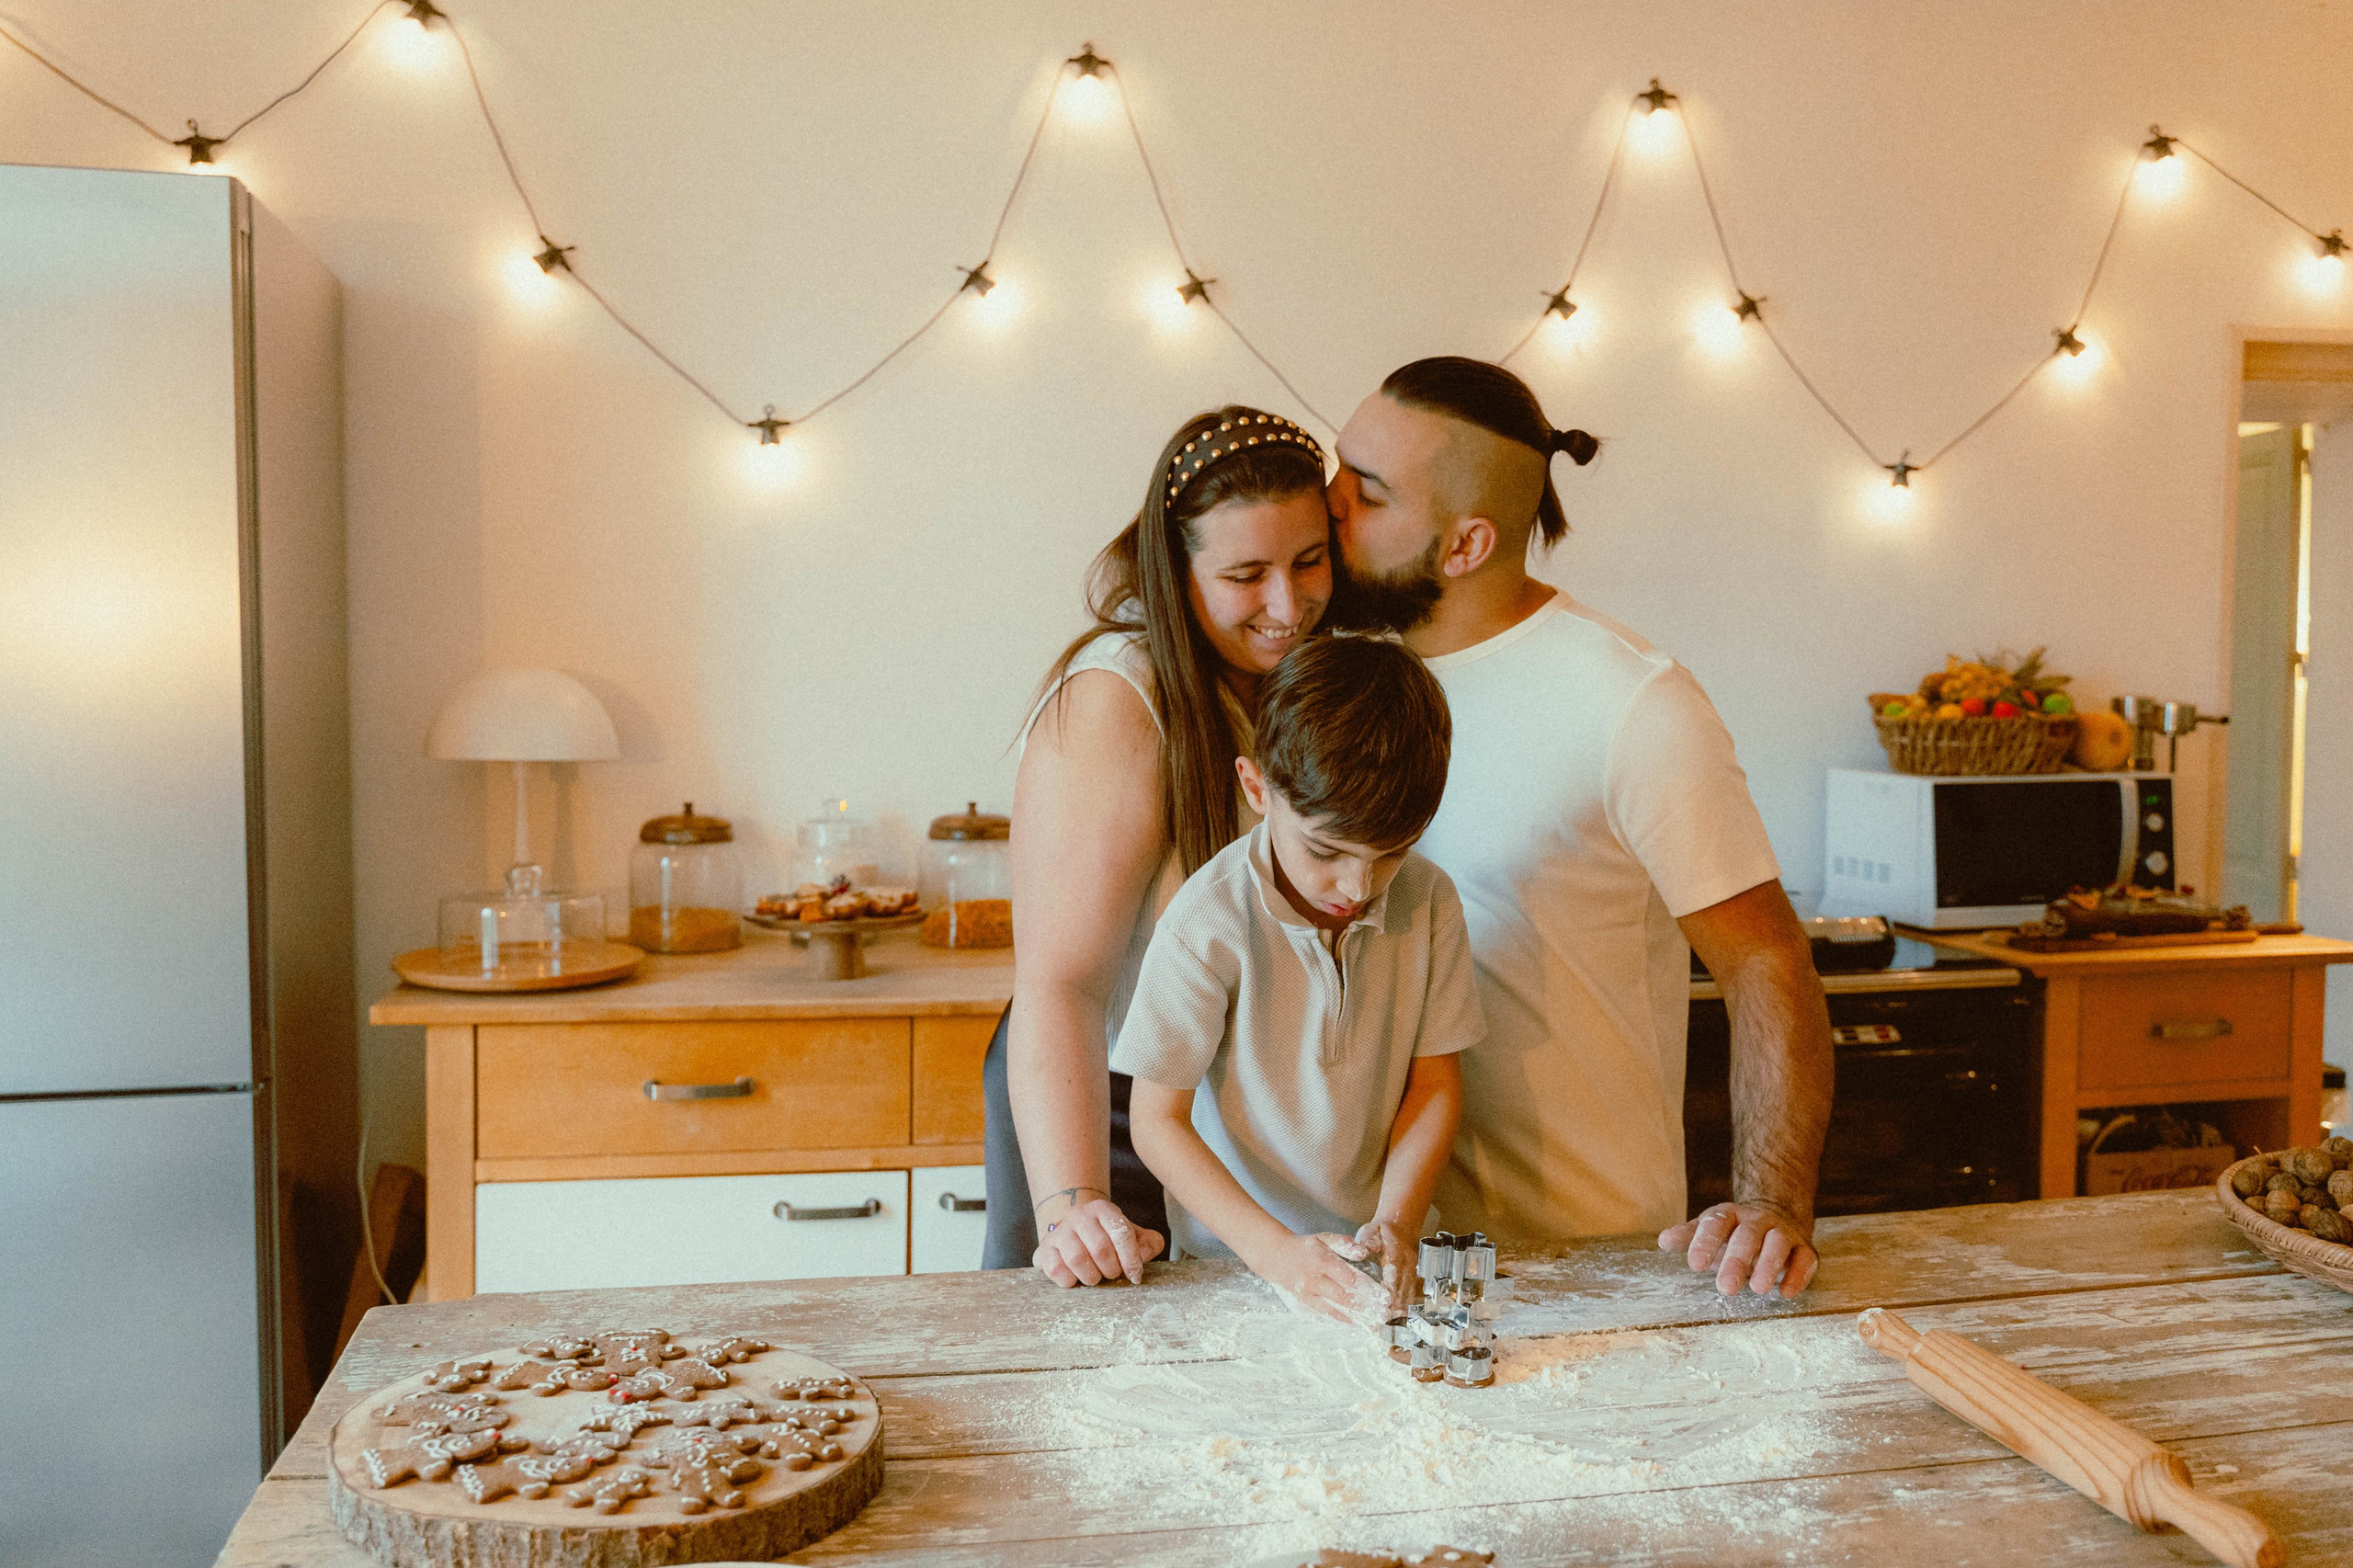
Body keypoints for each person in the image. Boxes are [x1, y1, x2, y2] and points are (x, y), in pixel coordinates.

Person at [1324, 356, 1835, 1298]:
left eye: (1364, 491)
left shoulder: (1633, 703)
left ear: (1465, 542)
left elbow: (1764, 960)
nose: (1326, 504)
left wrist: (1769, 1200)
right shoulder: (1342, 680)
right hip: (1374, 1258)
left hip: (1586, 1262)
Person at [985, 405, 1335, 1287]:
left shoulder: (1299, 682)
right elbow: (1061, 984)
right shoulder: (1120, 697)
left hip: (1224, 1108)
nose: (1287, 605)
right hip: (1105, 1108)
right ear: (1176, 573)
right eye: (1246, 574)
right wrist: (1074, 1206)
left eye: (1310, 561)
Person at [1114, 636, 1481, 1320]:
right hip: (1233, 1269)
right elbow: (1156, 1123)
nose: (1358, 885)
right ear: (1257, 788)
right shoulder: (1206, 922)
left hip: (1376, 1263)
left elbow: (1434, 1086)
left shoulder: (1429, 902)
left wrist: (1397, 1222)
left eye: (1392, 853)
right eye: (1326, 850)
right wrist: (1277, 1256)